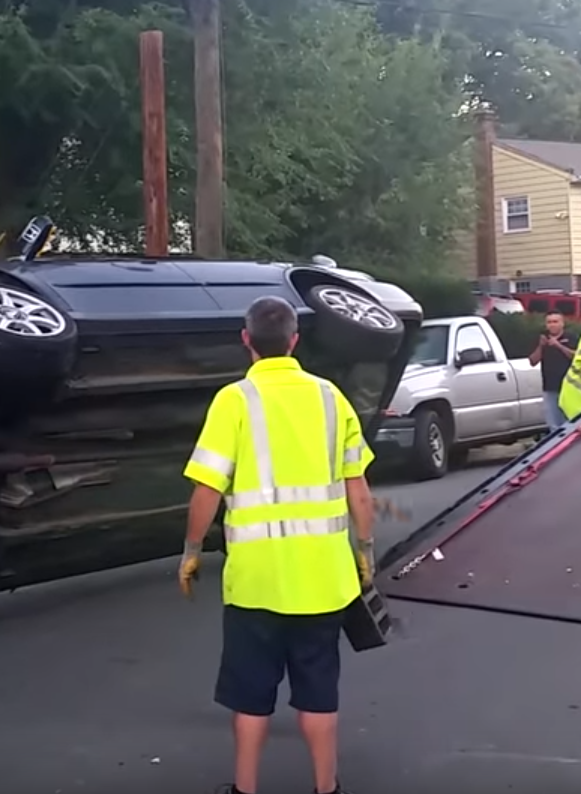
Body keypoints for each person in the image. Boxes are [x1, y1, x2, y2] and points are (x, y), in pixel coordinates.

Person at [180, 295, 378, 794]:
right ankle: (326, 787)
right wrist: (366, 550)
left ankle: (244, 789)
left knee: (251, 699)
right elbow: (359, 490)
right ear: (294, 340)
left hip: (256, 582)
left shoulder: (235, 400)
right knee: (318, 696)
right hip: (323, 581)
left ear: (246, 341)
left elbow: (207, 489)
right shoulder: (331, 398)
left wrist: (189, 551)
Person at [528, 311, 578, 431]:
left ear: (562, 323)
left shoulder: (571, 337)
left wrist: (558, 346)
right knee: (554, 424)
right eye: (549, 322)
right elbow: (533, 361)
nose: (552, 325)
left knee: (570, 421)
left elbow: (576, 356)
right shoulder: (542, 338)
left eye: (555, 322)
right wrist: (541, 346)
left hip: (569, 387)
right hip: (550, 387)